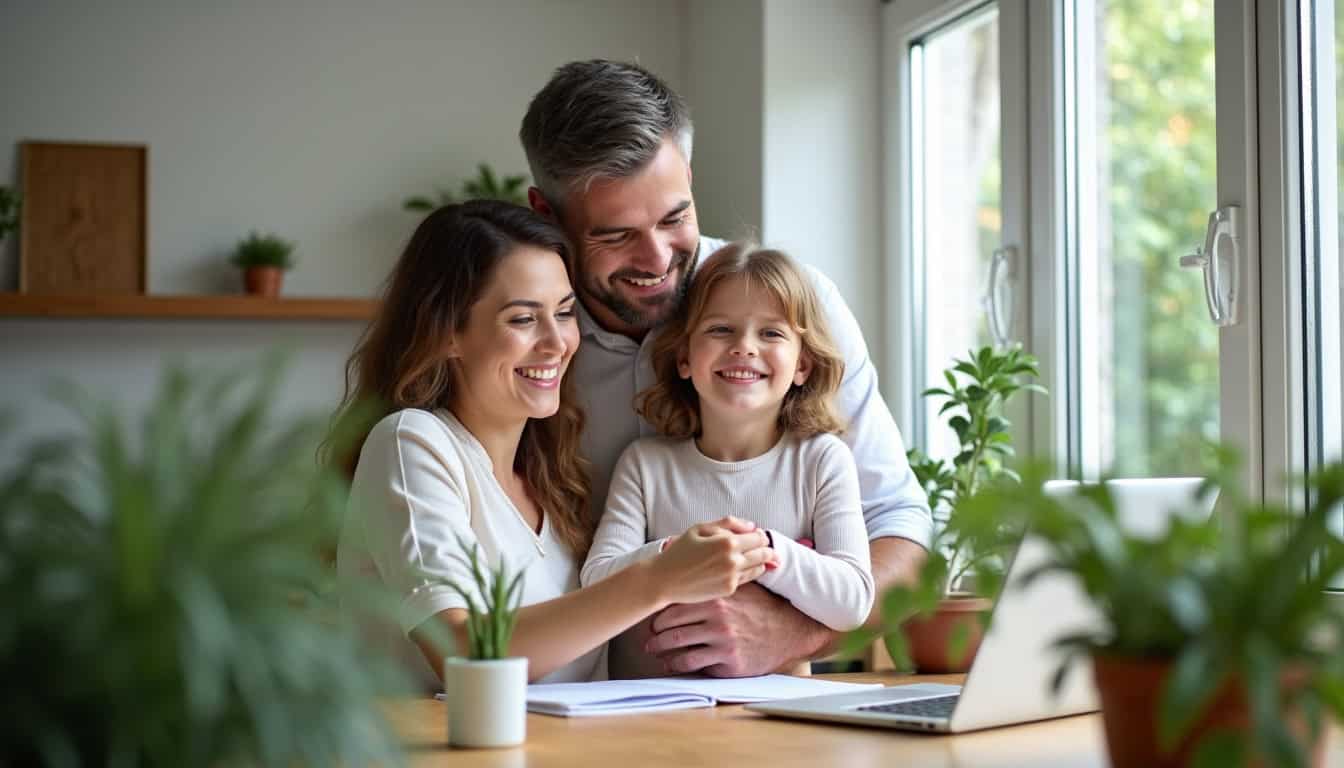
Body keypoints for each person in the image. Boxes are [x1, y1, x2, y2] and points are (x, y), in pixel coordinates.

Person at [519, 60, 933, 677]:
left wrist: (789, 633)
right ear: (545, 215)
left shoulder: (794, 308)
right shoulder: (526, 336)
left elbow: (900, 529)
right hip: (573, 701)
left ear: (688, 175)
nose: (656, 259)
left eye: (673, 217)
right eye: (615, 235)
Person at [330, 201, 776, 689]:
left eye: (564, 313)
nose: (556, 343)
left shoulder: (553, 476)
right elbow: (462, 653)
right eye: (522, 320)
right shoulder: (411, 442)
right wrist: (658, 578)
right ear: (448, 334)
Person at [581, 244, 875, 649]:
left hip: (777, 709)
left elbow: (853, 600)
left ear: (802, 365)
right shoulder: (645, 465)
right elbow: (596, 580)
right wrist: (678, 555)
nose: (744, 347)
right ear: (684, 357)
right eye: (720, 330)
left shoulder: (822, 461)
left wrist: (764, 551)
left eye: (771, 333)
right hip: (650, 708)